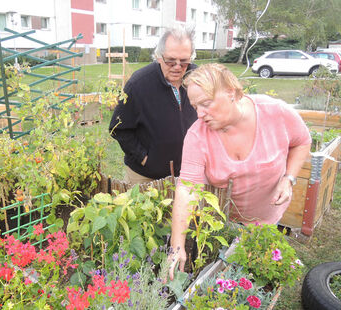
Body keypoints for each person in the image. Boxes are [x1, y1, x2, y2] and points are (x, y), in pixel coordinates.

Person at [168, 63, 311, 280]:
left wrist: (289, 178)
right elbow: (187, 190)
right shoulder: (197, 136)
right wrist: (177, 246)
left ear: (231, 93)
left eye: (205, 104)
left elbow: (302, 141)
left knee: (259, 273)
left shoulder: (274, 112)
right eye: (195, 106)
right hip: (224, 222)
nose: (199, 114)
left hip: (268, 216)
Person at [109, 27, 198, 184]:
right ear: (159, 57)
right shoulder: (138, 84)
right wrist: (145, 159)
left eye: (184, 61)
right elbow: (118, 128)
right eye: (171, 61)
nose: (177, 66)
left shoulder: (198, 79)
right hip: (145, 176)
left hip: (186, 173)